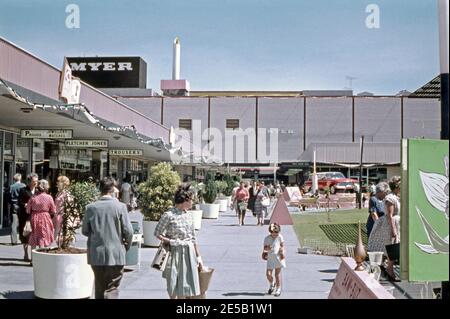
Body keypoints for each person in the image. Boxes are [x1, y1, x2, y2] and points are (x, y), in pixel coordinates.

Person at [81, 177, 134, 299]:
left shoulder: (90, 208)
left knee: (99, 286)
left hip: (96, 253)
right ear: (113, 189)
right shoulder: (120, 207)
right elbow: (129, 231)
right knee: (112, 287)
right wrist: (126, 246)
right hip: (116, 253)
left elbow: (85, 231)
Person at [154, 183, 203, 299]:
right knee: (172, 283)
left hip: (188, 253)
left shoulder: (189, 215)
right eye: (191, 200)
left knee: (186, 284)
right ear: (184, 200)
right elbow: (157, 233)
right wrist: (170, 241)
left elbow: (193, 237)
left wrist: (199, 258)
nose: (192, 202)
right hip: (173, 252)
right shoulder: (169, 215)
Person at [368, 176, 401, 282]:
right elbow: (390, 215)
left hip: (395, 223)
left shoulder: (395, 196)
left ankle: (388, 269)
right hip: (391, 225)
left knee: (393, 247)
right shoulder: (390, 198)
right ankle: (388, 270)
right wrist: (393, 229)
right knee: (392, 246)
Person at [26, 179, 56, 253]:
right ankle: (42, 256)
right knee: (43, 236)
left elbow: (28, 210)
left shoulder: (33, 197)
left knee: (34, 236)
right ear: (45, 187)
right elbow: (53, 210)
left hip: (34, 217)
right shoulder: (49, 197)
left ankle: (33, 259)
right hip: (45, 217)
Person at [18, 173, 38, 261]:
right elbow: (19, 202)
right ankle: (26, 253)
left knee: (33, 235)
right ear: (29, 181)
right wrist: (25, 204)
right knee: (25, 234)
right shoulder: (23, 190)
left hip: (35, 215)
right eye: (34, 181)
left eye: (36, 181)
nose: (35, 183)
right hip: (25, 215)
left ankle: (33, 254)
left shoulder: (38, 191)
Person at [262, 223, 286, 297]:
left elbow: (282, 246)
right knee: (268, 274)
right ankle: (272, 283)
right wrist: (267, 248)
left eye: (277, 232)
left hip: (278, 257)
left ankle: (278, 288)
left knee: (277, 275)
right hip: (270, 258)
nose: (275, 234)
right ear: (270, 231)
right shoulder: (267, 238)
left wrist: (282, 250)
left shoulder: (280, 237)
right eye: (273, 232)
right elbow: (265, 248)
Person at [54, 176, 71, 245]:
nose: (57, 183)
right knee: (58, 236)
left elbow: (69, 207)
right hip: (58, 216)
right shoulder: (59, 193)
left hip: (63, 217)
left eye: (58, 182)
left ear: (63, 183)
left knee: (62, 236)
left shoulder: (66, 194)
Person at [8, 173, 25, 245]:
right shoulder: (23, 186)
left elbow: (8, 197)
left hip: (14, 206)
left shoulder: (11, 187)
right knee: (22, 223)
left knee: (14, 224)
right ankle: (23, 239)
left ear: (14, 179)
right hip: (21, 206)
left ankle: (14, 241)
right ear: (20, 178)